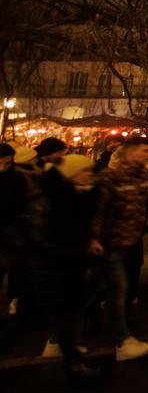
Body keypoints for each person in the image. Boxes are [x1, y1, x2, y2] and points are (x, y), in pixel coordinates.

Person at [22, 154, 101, 381]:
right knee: (61, 314)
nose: (89, 174)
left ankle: (71, 354)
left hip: (67, 264)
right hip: (51, 266)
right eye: (84, 170)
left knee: (69, 311)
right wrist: (72, 253)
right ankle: (72, 361)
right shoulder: (48, 198)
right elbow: (41, 237)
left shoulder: (78, 193)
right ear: (71, 173)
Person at [89, 136, 148, 361]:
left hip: (127, 241)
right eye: (144, 150)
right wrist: (94, 237)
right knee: (118, 290)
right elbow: (98, 209)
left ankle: (60, 338)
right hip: (110, 244)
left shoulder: (144, 175)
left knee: (93, 291)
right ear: (129, 152)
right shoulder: (111, 177)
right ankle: (122, 340)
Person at [0, 143, 30, 318]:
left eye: (7, 163)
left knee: (15, 268)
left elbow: (21, 204)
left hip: (11, 230)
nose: (3, 168)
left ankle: (14, 299)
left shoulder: (18, 179)